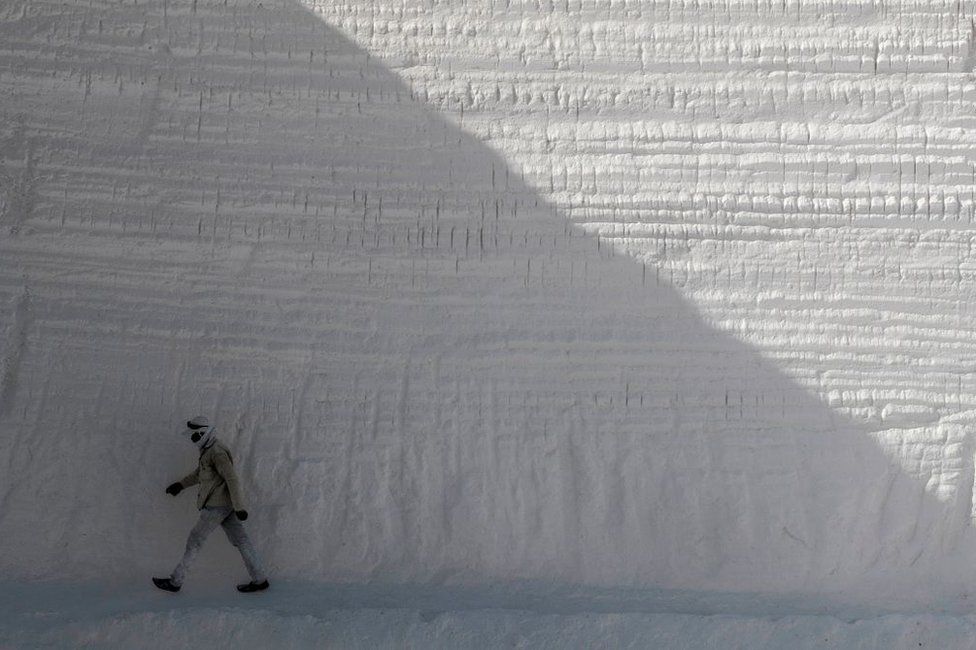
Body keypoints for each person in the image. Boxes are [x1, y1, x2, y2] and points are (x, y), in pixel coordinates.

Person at [153, 416, 269, 593]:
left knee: (195, 540)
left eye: (194, 436)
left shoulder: (217, 452)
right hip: (226, 506)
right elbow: (200, 474)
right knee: (241, 540)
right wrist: (181, 485)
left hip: (217, 508)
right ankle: (260, 580)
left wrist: (240, 507)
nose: (193, 440)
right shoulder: (208, 451)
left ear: (203, 433)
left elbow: (232, 479)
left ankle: (175, 582)